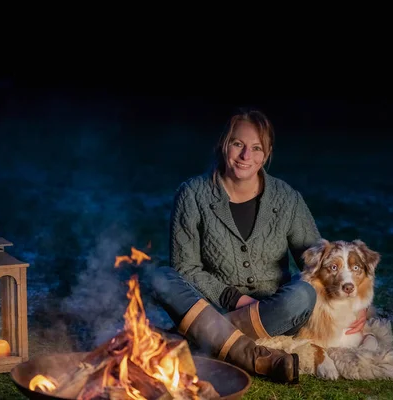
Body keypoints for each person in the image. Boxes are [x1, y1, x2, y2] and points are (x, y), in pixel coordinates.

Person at [148, 108, 366, 384]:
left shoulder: (286, 198)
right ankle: (252, 354)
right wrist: (235, 299)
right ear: (224, 144)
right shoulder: (192, 195)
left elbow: (318, 262)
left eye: (256, 148)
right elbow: (186, 268)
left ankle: (198, 340)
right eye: (238, 144)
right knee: (160, 278)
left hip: (276, 311)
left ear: (267, 153)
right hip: (213, 306)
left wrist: (357, 304)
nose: (245, 157)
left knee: (302, 295)